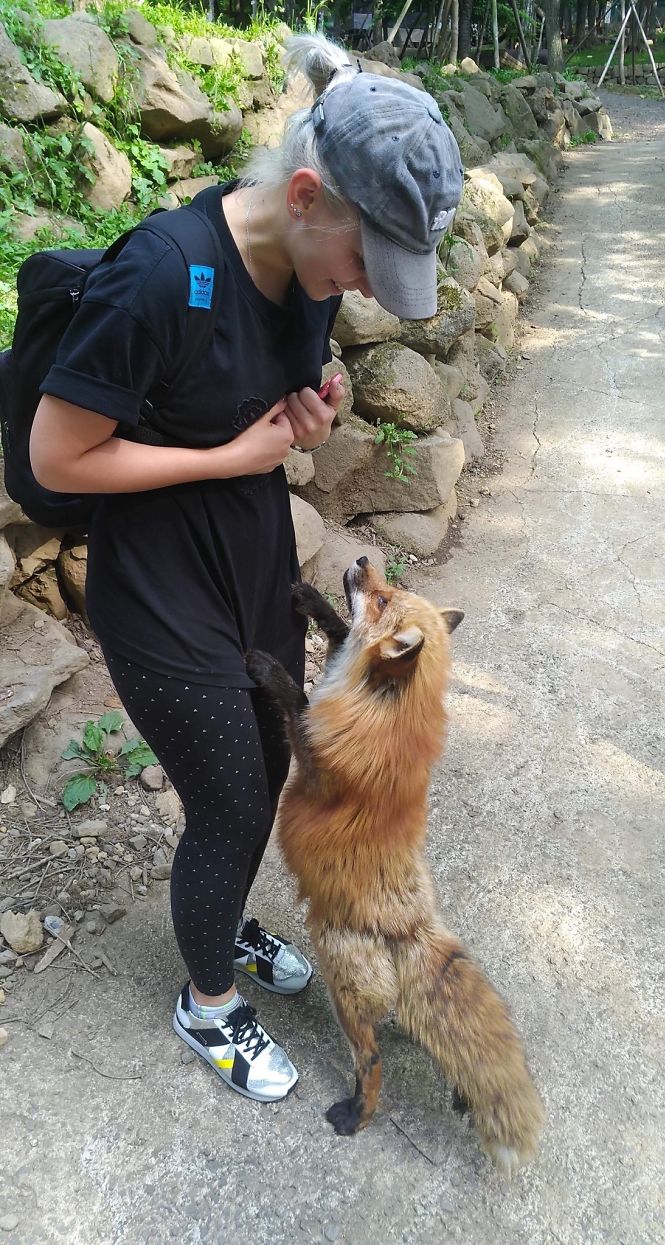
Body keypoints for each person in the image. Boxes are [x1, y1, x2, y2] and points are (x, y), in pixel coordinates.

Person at [29, 32, 463, 1102]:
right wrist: (233, 455)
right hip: (158, 584)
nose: (362, 290)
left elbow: (270, 388)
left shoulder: (308, 267)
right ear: (307, 194)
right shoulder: (161, 273)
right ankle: (207, 1000)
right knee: (230, 802)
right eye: (366, 261)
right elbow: (57, 454)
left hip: (251, 555)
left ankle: (217, 919)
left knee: (268, 770)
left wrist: (310, 414)